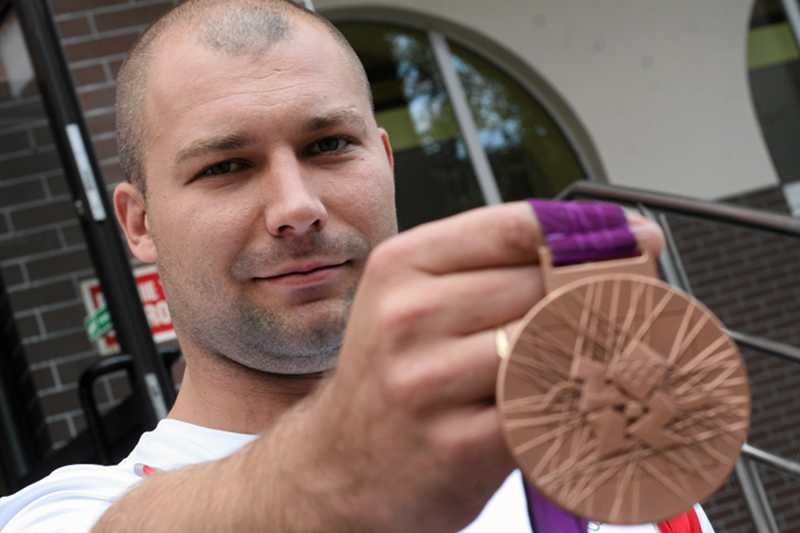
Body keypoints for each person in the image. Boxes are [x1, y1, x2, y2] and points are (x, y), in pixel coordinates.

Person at [0, 1, 715, 531]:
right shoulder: (65, 512)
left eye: (329, 146)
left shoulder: (602, 458)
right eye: (226, 166)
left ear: (386, 161)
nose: (296, 205)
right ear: (140, 223)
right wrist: (341, 462)